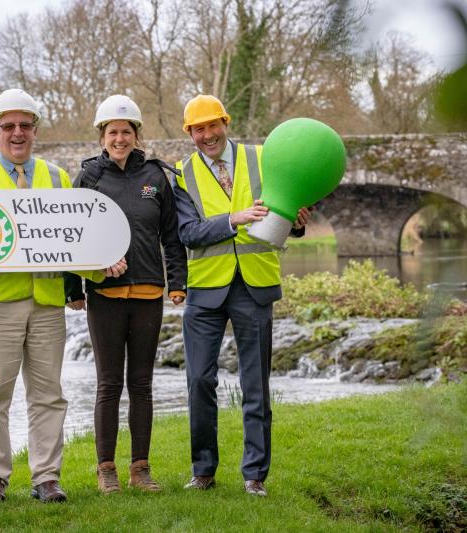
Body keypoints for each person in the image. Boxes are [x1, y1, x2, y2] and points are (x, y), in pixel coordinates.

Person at [0, 88, 122, 504]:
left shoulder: (57, 178)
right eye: (9, 126)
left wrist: (102, 265)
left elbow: (73, 243)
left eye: (25, 125)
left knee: (49, 395)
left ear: (36, 130)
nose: (17, 133)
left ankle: (47, 477)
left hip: (47, 302)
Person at [173, 95, 311, 497]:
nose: (208, 135)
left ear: (226, 123)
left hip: (254, 285)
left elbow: (286, 211)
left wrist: (297, 221)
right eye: (199, 129)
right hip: (205, 289)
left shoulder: (265, 158)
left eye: (213, 125)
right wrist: (233, 219)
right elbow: (187, 233)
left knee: (256, 384)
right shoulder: (181, 173)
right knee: (199, 381)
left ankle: (255, 475)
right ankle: (203, 471)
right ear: (190, 133)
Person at [70, 95, 187, 494]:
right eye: (112, 132)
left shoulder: (156, 177)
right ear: (102, 137)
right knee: (108, 384)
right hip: (104, 294)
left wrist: (178, 282)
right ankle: (106, 468)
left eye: (126, 132)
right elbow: (71, 237)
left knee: (141, 383)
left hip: (149, 292)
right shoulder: (88, 178)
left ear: (137, 135)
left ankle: (140, 467)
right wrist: (73, 289)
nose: (119, 139)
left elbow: (171, 236)